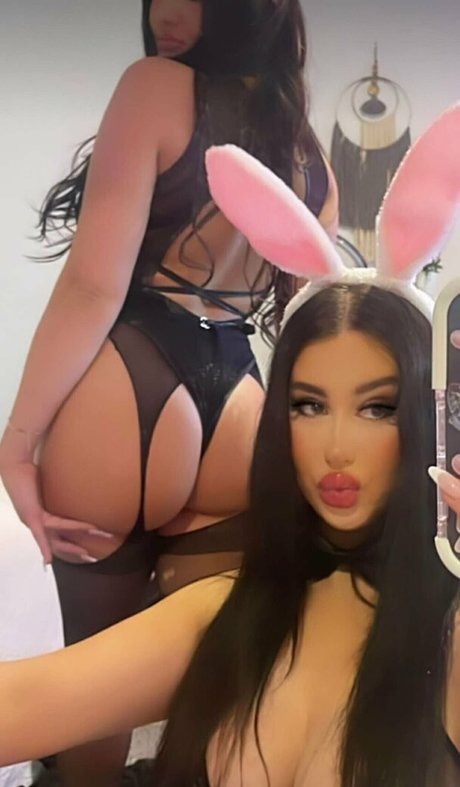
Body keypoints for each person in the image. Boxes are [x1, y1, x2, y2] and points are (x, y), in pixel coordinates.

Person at [1, 104, 460, 787]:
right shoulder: (227, 613)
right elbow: (24, 703)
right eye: (308, 405)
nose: (335, 447)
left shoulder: (445, 636)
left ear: (429, 415)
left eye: (378, 407)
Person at [0, 2, 338, 784]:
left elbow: (93, 285)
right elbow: (308, 321)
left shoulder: (153, 86)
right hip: (241, 408)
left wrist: (17, 442)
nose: (167, 11)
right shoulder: (307, 151)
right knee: (201, 686)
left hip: (128, 387)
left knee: (90, 693)